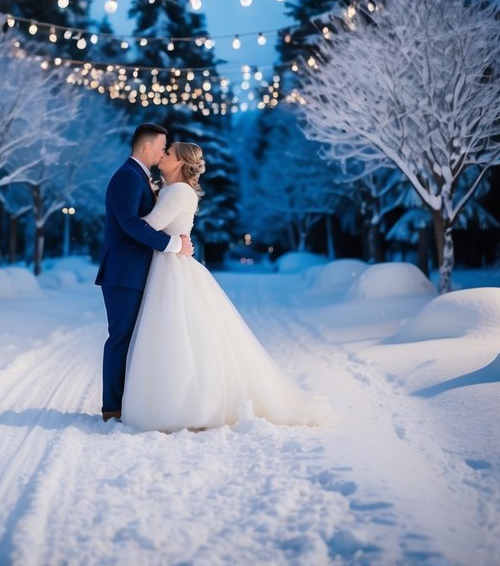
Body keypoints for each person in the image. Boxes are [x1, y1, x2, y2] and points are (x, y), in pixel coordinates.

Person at [121, 140, 329, 432]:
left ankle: (181, 404)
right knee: (172, 332)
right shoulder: (171, 190)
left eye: (168, 153)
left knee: (174, 332)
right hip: (166, 263)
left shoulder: (179, 192)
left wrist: (127, 216)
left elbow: (150, 225)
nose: (162, 155)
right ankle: (172, 400)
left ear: (180, 162)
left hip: (172, 266)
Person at [95, 123, 194, 422]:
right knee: (121, 339)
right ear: (147, 147)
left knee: (135, 339)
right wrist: (175, 243)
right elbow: (131, 224)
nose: (164, 152)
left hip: (137, 272)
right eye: (162, 147)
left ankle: (131, 403)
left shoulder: (140, 177)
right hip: (124, 273)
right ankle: (112, 408)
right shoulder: (128, 177)